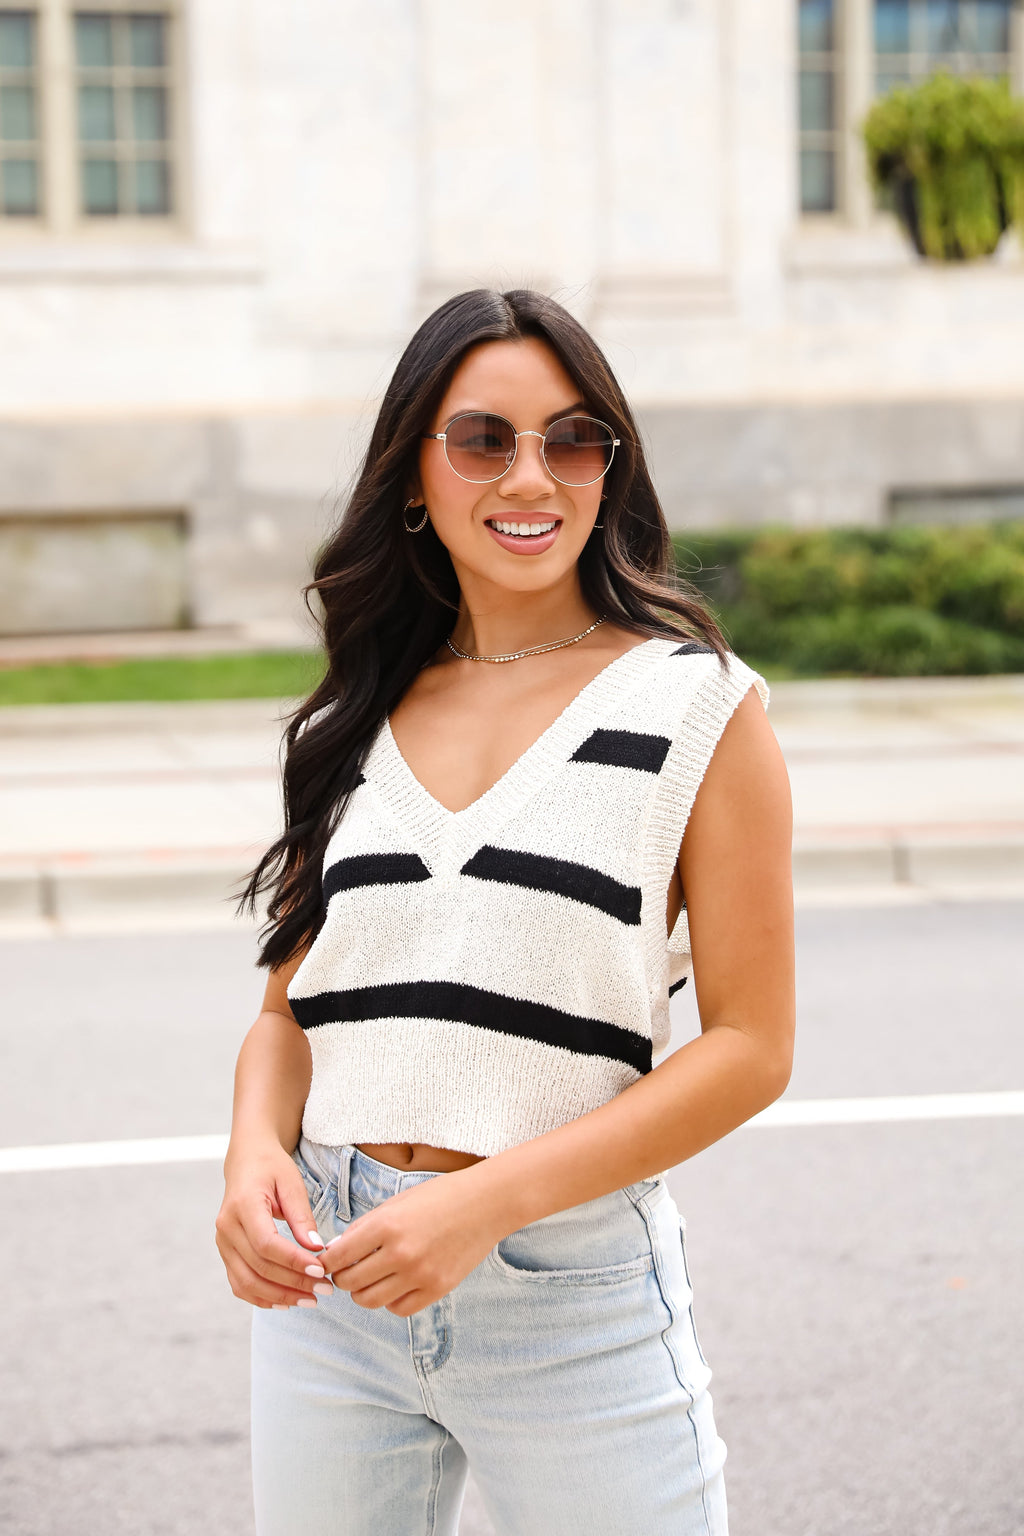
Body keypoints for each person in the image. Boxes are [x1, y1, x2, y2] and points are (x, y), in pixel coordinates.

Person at [215, 287, 795, 1536]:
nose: (530, 475)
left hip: (567, 1295)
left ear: (606, 471)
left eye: (572, 440)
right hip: (333, 1297)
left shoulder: (700, 708)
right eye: (483, 438)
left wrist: (490, 1203)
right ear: (414, 477)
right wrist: (253, 1155)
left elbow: (752, 1051)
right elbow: (288, 1014)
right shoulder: (352, 719)